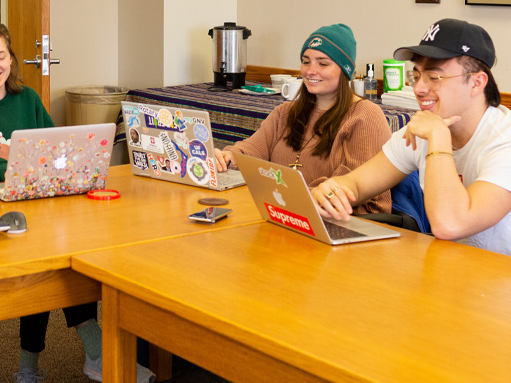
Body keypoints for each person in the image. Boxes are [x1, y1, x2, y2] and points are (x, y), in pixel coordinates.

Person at [0, 20, 154, 383]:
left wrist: (20, 157)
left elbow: (58, 152)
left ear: (11, 59)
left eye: (1, 55)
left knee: (62, 250)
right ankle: (90, 352)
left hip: (29, 203)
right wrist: (21, 162)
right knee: (41, 257)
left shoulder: (28, 100)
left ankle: (39, 365)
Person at [311, 18, 511, 256]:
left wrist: (438, 136)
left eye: (434, 77)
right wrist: (330, 192)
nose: (419, 88)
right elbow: (356, 184)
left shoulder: (501, 139)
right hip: (454, 270)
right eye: (416, 75)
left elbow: (450, 225)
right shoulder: (425, 128)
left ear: (477, 82)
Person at [213, 23, 392, 215]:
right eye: (306, 61)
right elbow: (249, 151)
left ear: (345, 70)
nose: (310, 71)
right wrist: (227, 157)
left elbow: (352, 190)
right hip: (289, 213)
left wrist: (296, 195)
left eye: (323, 63)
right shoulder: (286, 112)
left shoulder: (366, 116)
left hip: (349, 223)